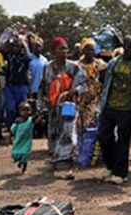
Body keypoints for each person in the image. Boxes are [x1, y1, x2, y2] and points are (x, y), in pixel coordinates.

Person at [97, 36, 131, 185]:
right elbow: (106, 83)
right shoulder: (113, 63)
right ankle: (110, 167)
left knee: (123, 141)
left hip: (127, 108)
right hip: (109, 106)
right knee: (104, 137)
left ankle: (121, 173)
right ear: (124, 47)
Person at [42, 37, 87, 180]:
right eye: (60, 49)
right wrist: (43, 103)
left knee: (69, 132)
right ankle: (55, 160)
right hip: (54, 106)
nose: (64, 51)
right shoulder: (48, 67)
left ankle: (68, 164)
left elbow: (83, 83)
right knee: (54, 132)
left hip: (69, 105)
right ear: (53, 51)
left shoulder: (74, 67)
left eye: (65, 49)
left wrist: (75, 91)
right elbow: (43, 86)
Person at [77, 38, 107, 141]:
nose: (90, 52)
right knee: (80, 124)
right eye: (88, 49)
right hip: (81, 100)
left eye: (92, 50)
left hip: (95, 99)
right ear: (83, 50)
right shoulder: (78, 65)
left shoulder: (99, 64)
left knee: (93, 122)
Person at [3, 39, 31, 131]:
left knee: (24, 109)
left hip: (21, 86)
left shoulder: (24, 57)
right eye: (13, 46)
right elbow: (1, 48)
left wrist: (24, 43)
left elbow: (29, 58)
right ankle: (11, 130)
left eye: (17, 46)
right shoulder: (7, 55)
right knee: (10, 109)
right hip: (9, 86)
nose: (15, 48)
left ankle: (23, 130)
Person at [10, 101, 34, 174]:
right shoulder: (18, 121)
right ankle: (20, 161)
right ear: (20, 111)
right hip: (19, 140)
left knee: (25, 154)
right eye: (24, 110)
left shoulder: (31, 120)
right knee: (15, 153)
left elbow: (36, 120)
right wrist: (10, 137)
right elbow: (12, 129)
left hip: (27, 140)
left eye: (28, 110)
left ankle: (24, 167)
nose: (26, 112)